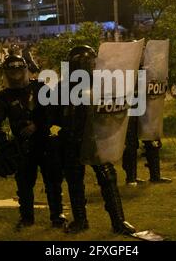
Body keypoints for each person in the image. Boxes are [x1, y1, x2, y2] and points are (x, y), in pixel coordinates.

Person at [56, 45, 136, 235]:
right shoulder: (62, 87)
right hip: (72, 140)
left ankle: (118, 221)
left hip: (97, 139)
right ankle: (80, 220)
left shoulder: (102, 86)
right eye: (87, 63)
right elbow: (55, 115)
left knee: (108, 177)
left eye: (92, 63)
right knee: (75, 180)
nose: (91, 66)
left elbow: (113, 112)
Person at [0, 55, 66, 229]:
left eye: (18, 70)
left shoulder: (40, 88)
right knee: (24, 184)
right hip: (22, 146)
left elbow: (54, 112)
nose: (15, 74)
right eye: (11, 71)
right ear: (6, 73)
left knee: (52, 181)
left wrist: (37, 125)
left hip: (45, 143)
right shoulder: (4, 97)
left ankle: (57, 216)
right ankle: (27, 218)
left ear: (25, 69)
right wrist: (6, 146)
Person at [123, 117, 172, 185]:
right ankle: (131, 178)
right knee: (131, 141)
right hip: (132, 110)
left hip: (145, 109)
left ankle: (155, 176)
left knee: (152, 139)